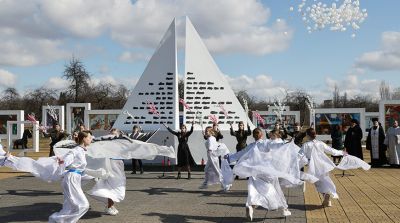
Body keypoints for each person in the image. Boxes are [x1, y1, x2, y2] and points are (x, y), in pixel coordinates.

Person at [225, 128, 292, 221]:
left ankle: (251, 207)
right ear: (262, 135)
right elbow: (275, 145)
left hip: (255, 173)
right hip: (268, 172)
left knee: (253, 191)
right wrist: (284, 143)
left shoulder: (251, 146)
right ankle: (284, 208)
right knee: (275, 190)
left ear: (254, 136)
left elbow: (240, 153)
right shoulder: (266, 143)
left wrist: (229, 157)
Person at [49, 130, 92, 223]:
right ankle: (57, 219)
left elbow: (80, 169)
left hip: (75, 178)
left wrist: (96, 174)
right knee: (83, 205)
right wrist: (63, 162)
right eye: (89, 137)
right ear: (84, 139)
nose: (91, 139)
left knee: (69, 207)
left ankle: (61, 220)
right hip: (71, 178)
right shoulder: (76, 150)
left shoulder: (82, 150)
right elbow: (68, 159)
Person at [301, 128, 347, 207]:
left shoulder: (306, 145)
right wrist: (341, 152)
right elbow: (331, 150)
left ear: (307, 135)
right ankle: (328, 199)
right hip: (323, 165)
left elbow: (300, 156)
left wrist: (297, 162)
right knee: (325, 180)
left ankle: (326, 196)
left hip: (314, 166)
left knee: (318, 183)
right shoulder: (320, 143)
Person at [88, 128, 126, 216]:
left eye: (114, 135)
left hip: (119, 169)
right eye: (111, 134)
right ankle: (109, 206)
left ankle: (110, 206)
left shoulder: (120, 145)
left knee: (117, 189)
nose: (112, 136)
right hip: (109, 169)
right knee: (111, 188)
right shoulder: (105, 145)